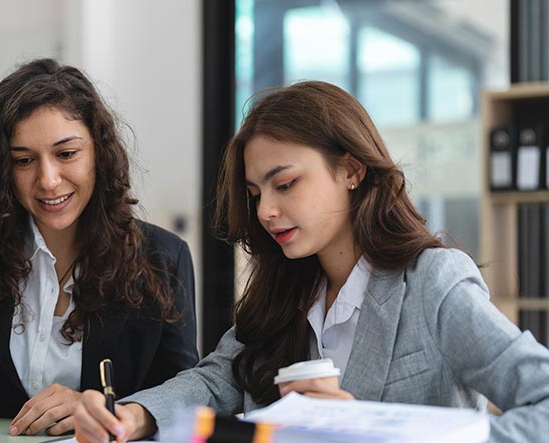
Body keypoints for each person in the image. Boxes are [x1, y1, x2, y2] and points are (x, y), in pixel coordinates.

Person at [74, 81, 549, 443]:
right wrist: (134, 415)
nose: (265, 211)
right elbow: (218, 379)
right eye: (256, 193)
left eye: (285, 184)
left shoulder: (432, 282)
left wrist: (374, 429)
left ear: (351, 170)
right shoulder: (285, 289)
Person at [0, 58, 198, 436]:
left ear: (99, 153)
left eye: (67, 154)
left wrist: (101, 408)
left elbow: (184, 402)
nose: (48, 180)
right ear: (2, 168)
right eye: (23, 160)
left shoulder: (162, 258)